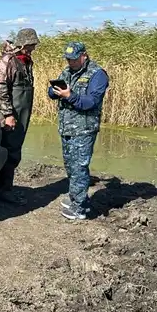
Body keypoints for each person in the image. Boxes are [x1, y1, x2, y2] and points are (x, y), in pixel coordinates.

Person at [48, 41, 109, 220]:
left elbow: (91, 102)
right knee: (70, 166)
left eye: (74, 59)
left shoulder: (97, 74)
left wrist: (70, 96)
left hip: (84, 129)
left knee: (79, 167)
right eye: (68, 59)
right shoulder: (67, 72)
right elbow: (51, 93)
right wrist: (54, 91)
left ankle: (79, 209)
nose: (70, 62)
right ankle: (77, 198)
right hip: (66, 127)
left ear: (84, 55)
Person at [0, 28, 39, 204]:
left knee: (14, 148)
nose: (33, 48)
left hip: (22, 113)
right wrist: (8, 114)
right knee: (9, 150)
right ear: (23, 44)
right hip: (10, 115)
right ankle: (4, 189)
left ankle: (1, 186)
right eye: (31, 45)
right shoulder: (8, 61)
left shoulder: (26, 61)